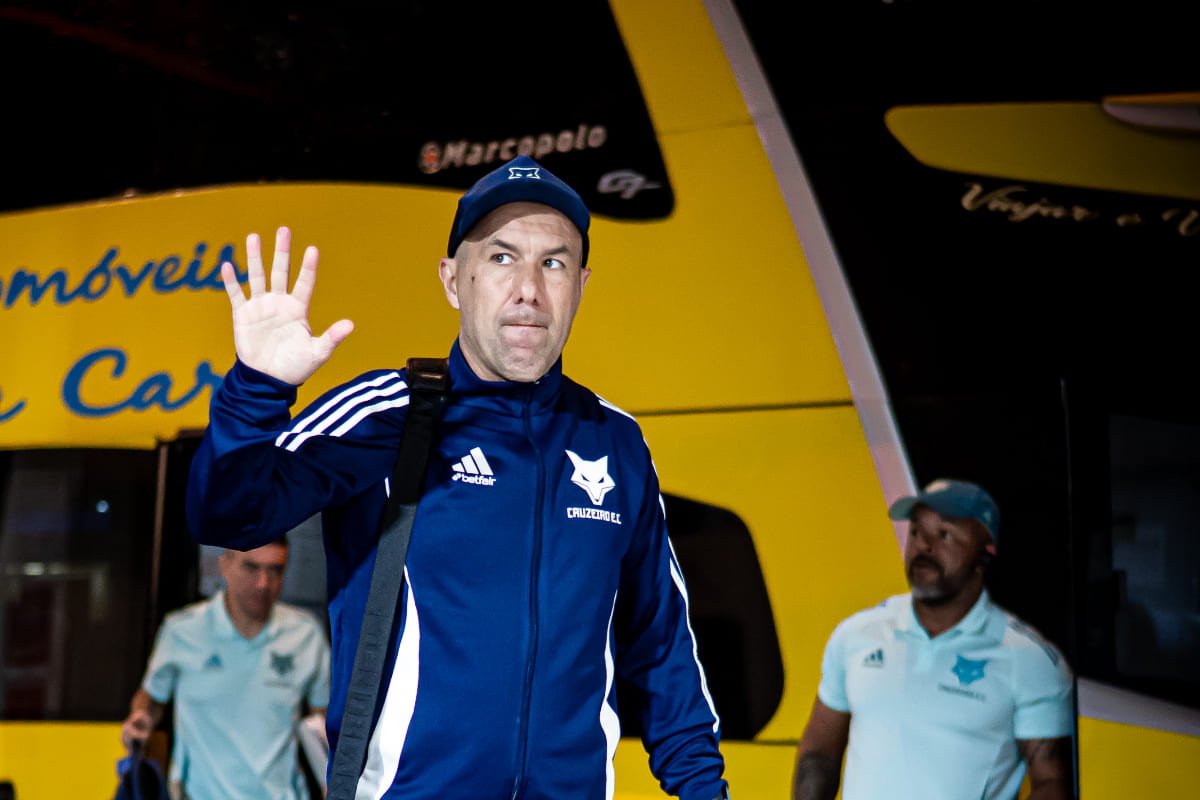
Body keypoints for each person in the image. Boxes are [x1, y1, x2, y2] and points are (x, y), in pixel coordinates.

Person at [184, 155, 730, 800]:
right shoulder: (387, 415)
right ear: (453, 280)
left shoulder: (615, 440)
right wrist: (257, 390)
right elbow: (228, 517)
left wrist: (704, 790)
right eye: (501, 258)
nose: (529, 289)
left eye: (554, 263)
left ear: (581, 285)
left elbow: (661, 646)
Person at [791, 478, 1075, 800]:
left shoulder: (1028, 659)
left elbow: (1052, 783)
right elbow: (819, 755)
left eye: (944, 534)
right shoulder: (857, 635)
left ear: (985, 555)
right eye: (916, 531)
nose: (924, 546)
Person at [120, 538, 331, 800]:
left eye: (275, 570)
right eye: (251, 567)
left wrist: (332, 776)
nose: (263, 583)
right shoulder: (183, 630)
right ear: (224, 565)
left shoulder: (305, 634)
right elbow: (152, 699)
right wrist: (140, 718)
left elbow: (322, 723)